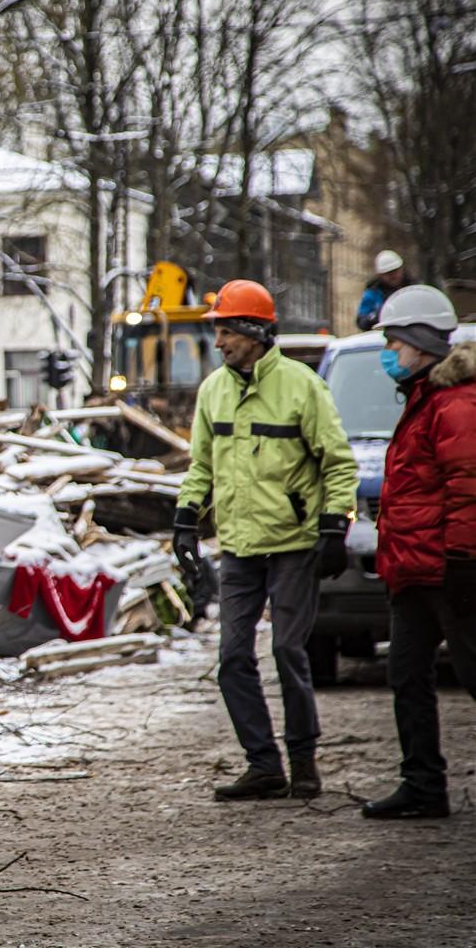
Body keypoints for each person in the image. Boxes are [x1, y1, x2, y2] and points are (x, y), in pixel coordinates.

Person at [173, 279, 358, 801]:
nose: (220, 342)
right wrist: (186, 519)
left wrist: (333, 526)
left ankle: (304, 763)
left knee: (287, 651)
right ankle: (264, 765)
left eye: (227, 331)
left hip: (294, 543)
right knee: (232, 656)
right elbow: (202, 465)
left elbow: (337, 462)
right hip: (238, 547)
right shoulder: (213, 391)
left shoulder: (301, 386)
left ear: (254, 332)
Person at [360, 286, 476, 820]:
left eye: (393, 340)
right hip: (413, 571)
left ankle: (424, 782)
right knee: (407, 676)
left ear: (420, 344)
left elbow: (467, 487)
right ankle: (424, 785)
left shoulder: (455, 403)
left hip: (450, 572)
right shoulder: (424, 399)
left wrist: (463, 563)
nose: (388, 351)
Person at [356, 250, 411, 331]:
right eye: (388, 273)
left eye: (395, 271)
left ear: (401, 269)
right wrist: (375, 317)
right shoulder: (373, 293)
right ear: (380, 275)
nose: (393, 276)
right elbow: (362, 321)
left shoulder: (413, 288)